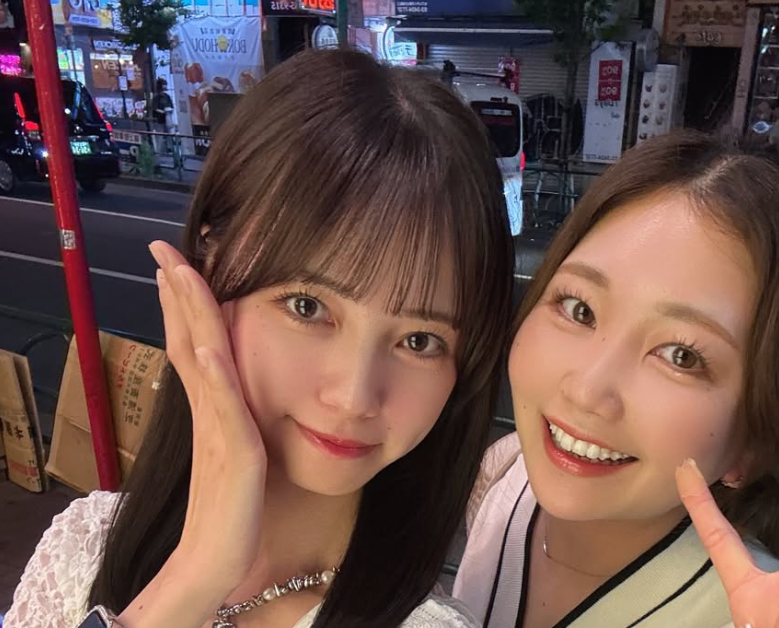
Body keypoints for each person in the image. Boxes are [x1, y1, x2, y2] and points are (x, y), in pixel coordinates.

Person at [5, 49, 515, 628]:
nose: (354, 396)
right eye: (307, 306)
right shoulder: (85, 546)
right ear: (205, 275)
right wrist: (195, 575)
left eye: (420, 341)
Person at [453, 130, 779, 628]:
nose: (587, 391)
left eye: (681, 355)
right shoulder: (502, 477)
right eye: (579, 307)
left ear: (753, 440)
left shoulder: (746, 617)